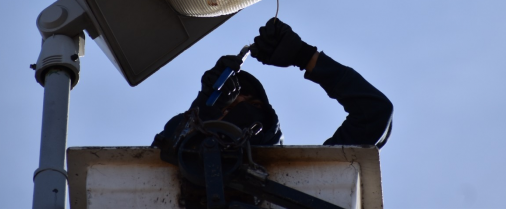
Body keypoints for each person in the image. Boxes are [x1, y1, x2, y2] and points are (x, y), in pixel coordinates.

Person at [152, 18, 393, 149]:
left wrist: (306, 57)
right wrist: (203, 107)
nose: (240, 99)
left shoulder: (304, 183)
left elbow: (374, 113)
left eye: (251, 103)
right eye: (228, 104)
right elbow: (166, 148)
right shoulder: (166, 176)